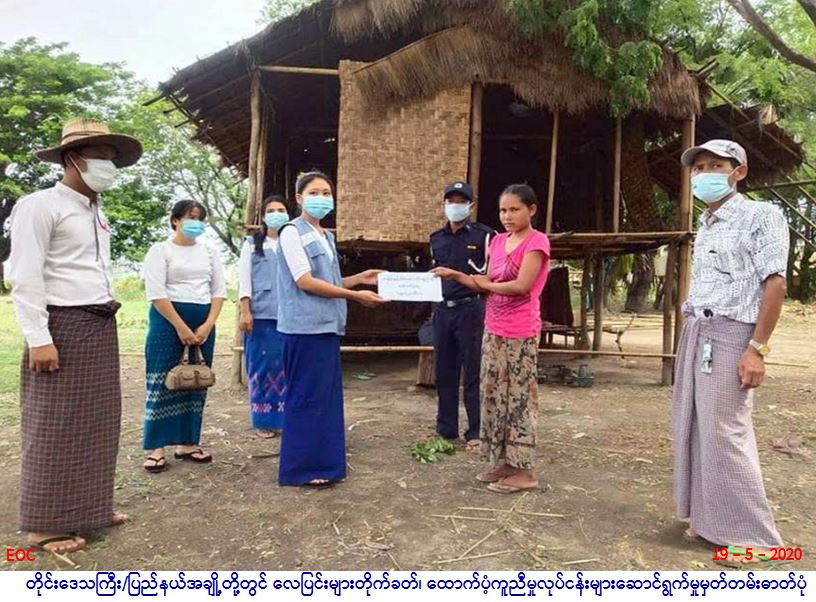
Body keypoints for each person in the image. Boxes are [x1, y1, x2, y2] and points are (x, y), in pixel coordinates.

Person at [8, 117, 142, 553]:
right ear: (72, 158)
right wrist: (39, 337)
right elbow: (25, 275)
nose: (108, 166)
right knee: (55, 421)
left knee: (97, 421)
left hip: (98, 321)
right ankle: (45, 524)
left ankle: (90, 506)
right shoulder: (39, 205)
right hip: (61, 325)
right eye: (100, 156)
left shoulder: (95, 210)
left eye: (112, 158)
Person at [675, 139, 788, 566]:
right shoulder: (707, 222)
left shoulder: (761, 215)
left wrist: (756, 348)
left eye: (715, 165)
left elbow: (775, 283)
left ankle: (756, 538)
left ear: (739, 171)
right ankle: (711, 522)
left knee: (726, 431)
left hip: (732, 335)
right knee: (697, 425)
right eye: (698, 167)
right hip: (699, 330)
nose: (704, 173)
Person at [434, 183, 550, 494]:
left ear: (531, 210)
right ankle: (505, 462)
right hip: (493, 327)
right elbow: (486, 279)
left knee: (519, 399)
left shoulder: (537, 242)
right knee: (495, 397)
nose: (507, 216)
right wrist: (458, 276)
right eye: (503, 210)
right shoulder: (498, 242)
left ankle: (525, 470)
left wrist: (483, 285)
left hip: (520, 331)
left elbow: (521, 286)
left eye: (515, 209)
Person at [276, 171, 387, 487]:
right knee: (305, 396)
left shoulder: (326, 236)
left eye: (326, 193)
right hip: (303, 328)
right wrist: (355, 296)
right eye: (314, 193)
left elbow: (330, 281)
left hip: (326, 327)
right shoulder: (291, 232)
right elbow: (305, 281)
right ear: (299, 198)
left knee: (324, 398)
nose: (322, 198)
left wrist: (360, 278)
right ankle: (300, 468)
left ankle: (324, 464)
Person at [141, 200, 227, 473]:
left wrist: (208, 324)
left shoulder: (210, 253)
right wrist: (180, 326)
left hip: (203, 321)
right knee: (161, 379)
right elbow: (156, 292)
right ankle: (157, 447)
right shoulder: (160, 250)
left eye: (200, 218)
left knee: (195, 380)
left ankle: (188, 443)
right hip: (167, 321)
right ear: (175, 220)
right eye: (191, 217)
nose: (196, 223)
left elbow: (219, 291)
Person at [429, 181, 495, 451]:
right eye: (450, 201)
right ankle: (446, 429)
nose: (455, 206)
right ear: (444, 204)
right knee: (444, 370)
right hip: (442, 310)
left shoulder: (486, 236)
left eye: (460, 201)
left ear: (471, 205)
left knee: (473, 371)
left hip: (471, 309)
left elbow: (490, 278)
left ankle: (476, 431)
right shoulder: (435, 238)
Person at [238, 195, 290, 438]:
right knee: (262, 367)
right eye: (271, 210)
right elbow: (244, 280)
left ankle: (287, 418)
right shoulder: (251, 244)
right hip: (261, 315)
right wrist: (245, 311)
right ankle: (263, 420)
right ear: (263, 216)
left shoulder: (293, 244)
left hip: (291, 316)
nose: (276, 214)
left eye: (281, 210)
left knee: (287, 366)